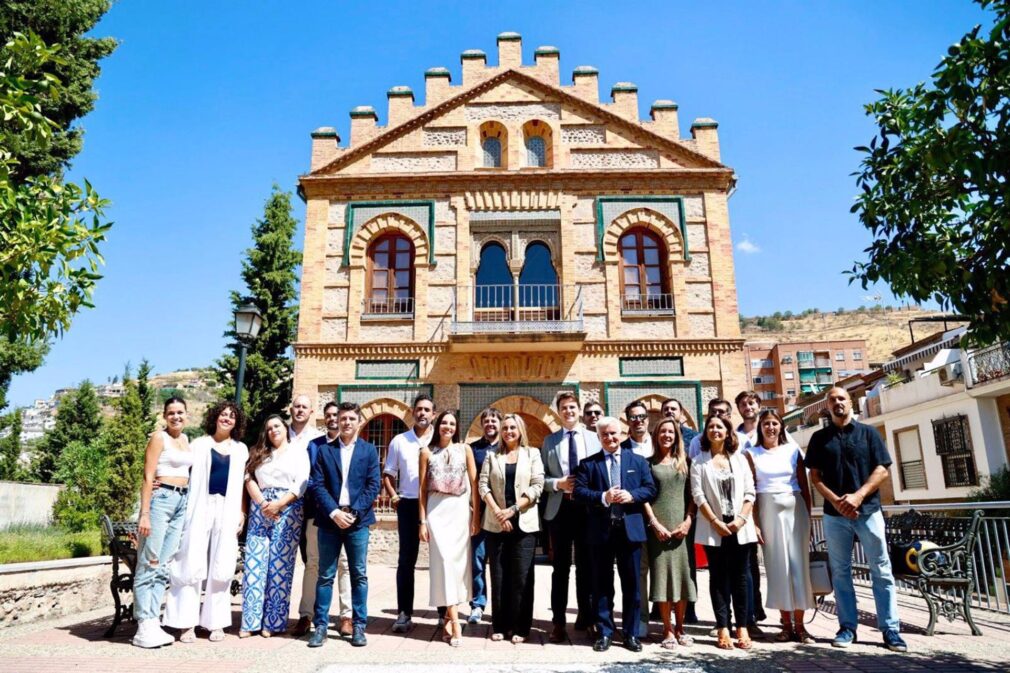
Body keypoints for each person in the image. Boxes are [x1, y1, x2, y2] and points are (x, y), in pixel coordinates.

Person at [806, 386, 907, 653]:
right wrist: (836, 501)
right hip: (834, 516)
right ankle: (847, 627)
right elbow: (814, 477)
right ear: (826, 406)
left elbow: (882, 469)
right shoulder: (819, 438)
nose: (837, 403)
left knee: (881, 570)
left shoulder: (869, 434)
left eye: (841, 398)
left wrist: (858, 496)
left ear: (851, 403)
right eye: (831, 400)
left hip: (869, 512)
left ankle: (891, 630)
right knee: (840, 572)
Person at [166, 401, 249, 643]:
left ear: (237, 422)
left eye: (232, 416)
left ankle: (215, 623)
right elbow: (182, 470)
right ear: (214, 417)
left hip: (227, 508)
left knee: (222, 566)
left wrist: (242, 513)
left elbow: (243, 485)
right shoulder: (199, 445)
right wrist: (164, 481)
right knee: (191, 562)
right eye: (223, 414)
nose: (227, 419)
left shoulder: (241, 449)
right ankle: (185, 624)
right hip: (200, 506)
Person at [574, 415, 656, 653]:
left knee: (632, 584)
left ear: (622, 434)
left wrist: (632, 496)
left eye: (613, 433)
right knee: (601, 585)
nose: (610, 438)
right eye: (604, 435)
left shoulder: (638, 461)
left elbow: (650, 488)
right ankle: (605, 632)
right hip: (601, 532)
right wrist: (603, 497)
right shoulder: (589, 464)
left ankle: (631, 633)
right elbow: (579, 492)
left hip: (630, 531)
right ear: (598, 438)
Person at [307, 402, 381, 648]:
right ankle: (320, 627)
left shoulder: (369, 451)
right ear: (336, 422)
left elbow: (373, 484)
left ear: (359, 422)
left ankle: (359, 626)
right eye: (343, 418)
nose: (346, 422)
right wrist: (334, 511)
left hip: (358, 522)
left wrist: (355, 512)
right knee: (325, 575)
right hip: (330, 522)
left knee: (359, 574)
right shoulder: (325, 451)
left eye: (351, 418)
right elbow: (317, 484)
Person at [745, 409, 815, 644]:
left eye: (775, 423)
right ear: (760, 427)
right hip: (767, 511)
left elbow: (804, 487)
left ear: (781, 426)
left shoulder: (793, 450)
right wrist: (754, 523)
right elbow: (751, 491)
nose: (771, 427)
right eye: (766, 423)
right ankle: (785, 625)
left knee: (798, 567)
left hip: (795, 511)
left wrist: (810, 515)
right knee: (778, 569)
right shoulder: (751, 454)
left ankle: (801, 626)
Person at [690, 415, 757, 651]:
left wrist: (740, 519)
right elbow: (698, 496)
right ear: (705, 433)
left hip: (740, 525)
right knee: (718, 578)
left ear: (728, 432)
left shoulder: (740, 460)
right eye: (711, 427)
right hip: (713, 527)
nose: (715, 430)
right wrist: (715, 521)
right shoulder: (698, 462)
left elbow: (750, 491)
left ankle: (742, 626)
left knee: (740, 577)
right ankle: (723, 627)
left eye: (719, 427)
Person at [241, 414, 310, 637]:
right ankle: (250, 622)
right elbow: (248, 478)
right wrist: (263, 503)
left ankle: (272, 622)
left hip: (287, 510)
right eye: (269, 428)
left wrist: (279, 504)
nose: (273, 430)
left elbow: (302, 482)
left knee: (279, 567)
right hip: (260, 508)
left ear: (285, 428)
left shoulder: (298, 452)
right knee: (254, 565)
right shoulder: (259, 453)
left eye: (277, 426)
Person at [132, 397, 193, 648]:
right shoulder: (159, 438)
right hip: (161, 500)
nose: (176, 417)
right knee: (150, 560)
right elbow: (148, 475)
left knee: (164, 563)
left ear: (186, 415)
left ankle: (153, 619)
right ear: (164, 415)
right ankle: (143, 625)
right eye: (171, 413)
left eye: (180, 412)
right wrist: (144, 513)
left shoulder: (186, 440)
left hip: (182, 501)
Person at [290, 396, 352, 639]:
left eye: (337, 415)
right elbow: (312, 481)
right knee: (314, 564)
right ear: (324, 418)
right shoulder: (314, 446)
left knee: (345, 565)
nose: (333, 419)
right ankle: (307, 615)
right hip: (318, 515)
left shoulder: (354, 447)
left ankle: (346, 616)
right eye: (329, 415)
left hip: (346, 517)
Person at [541, 391, 601, 642]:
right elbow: (540, 479)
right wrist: (558, 484)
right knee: (560, 568)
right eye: (564, 407)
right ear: (558, 411)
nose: (569, 411)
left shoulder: (594, 438)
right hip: (560, 509)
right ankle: (558, 622)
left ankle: (587, 618)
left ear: (579, 410)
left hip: (587, 510)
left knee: (587, 568)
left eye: (573, 407)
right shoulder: (549, 442)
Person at [479, 413, 544, 643]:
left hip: (523, 523)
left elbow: (538, 486)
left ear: (520, 430)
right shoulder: (491, 456)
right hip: (496, 523)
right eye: (505, 427)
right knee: (498, 575)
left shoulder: (532, 454)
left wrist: (513, 509)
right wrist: (499, 512)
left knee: (522, 577)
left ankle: (521, 627)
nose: (508, 431)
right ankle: (500, 625)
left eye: (512, 428)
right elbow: (483, 485)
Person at [419, 410, 480, 647]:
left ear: (457, 427)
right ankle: (455, 622)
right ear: (437, 425)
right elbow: (421, 491)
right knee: (443, 563)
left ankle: (447, 616)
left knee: (456, 567)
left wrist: (476, 517)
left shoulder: (465, 450)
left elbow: (474, 485)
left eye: (452, 423)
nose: (448, 427)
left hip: (459, 510)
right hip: (436, 510)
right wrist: (422, 521)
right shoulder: (426, 452)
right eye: (444, 422)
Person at [382, 393, 435, 633]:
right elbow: (388, 473)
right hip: (409, 504)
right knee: (406, 560)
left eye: (427, 410)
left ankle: (445, 612)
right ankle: (404, 612)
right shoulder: (400, 441)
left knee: (440, 559)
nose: (423, 413)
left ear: (433, 414)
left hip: (437, 504)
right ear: (413, 412)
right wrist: (394, 496)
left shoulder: (441, 438)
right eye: (419, 409)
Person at [643, 418, 696, 650]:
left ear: (676, 436)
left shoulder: (685, 462)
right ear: (656, 436)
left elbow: (693, 496)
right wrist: (655, 524)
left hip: (680, 530)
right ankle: (667, 629)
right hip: (659, 531)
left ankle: (681, 627)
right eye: (662, 431)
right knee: (662, 579)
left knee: (682, 578)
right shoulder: (648, 464)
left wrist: (688, 521)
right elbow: (644, 498)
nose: (667, 435)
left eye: (671, 432)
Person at [660, 397, 699, 624]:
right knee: (662, 559)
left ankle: (689, 606)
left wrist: (690, 515)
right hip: (664, 507)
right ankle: (662, 605)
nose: (669, 412)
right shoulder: (658, 438)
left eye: (673, 409)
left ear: (682, 413)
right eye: (666, 409)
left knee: (687, 560)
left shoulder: (692, 439)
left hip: (686, 508)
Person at [621, 400, 655, 638]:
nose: (638, 421)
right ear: (627, 421)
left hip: (666, 515)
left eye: (642, 416)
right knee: (639, 571)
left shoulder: (664, 443)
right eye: (633, 417)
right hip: (635, 518)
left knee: (665, 570)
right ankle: (641, 618)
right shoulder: (621, 449)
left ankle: (670, 622)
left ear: (648, 419)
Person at [734, 390, 767, 631]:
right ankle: (750, 616)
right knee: (747, 564)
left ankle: (790, 619)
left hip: (772, 503)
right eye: (743, 404)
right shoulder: (733, 439)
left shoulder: (773, 430)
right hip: (745, 506)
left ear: (759, 405)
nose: (748, 407)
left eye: (752, 402)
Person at [466, 407, 501, 625]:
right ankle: (477, 605)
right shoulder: (472, 449)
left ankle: (501, 605)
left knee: (500, 562)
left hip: (501, 514)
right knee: (477, 561)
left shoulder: (507, 447)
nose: (490, 424)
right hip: (479, 514)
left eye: (494, 421)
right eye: (486, 421)